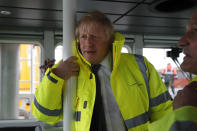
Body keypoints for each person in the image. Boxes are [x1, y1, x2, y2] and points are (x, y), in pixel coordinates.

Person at [32, 11, 172, 131]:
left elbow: (164, 112)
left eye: (94, 36)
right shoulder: (66, 71)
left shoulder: (140, 65)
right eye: (83, 36)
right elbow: (44, 114)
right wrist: (56, 76)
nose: (88, 43)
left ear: (110, 39)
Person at [149, 10, 197, 131]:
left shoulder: (188, 99)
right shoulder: (192, 88)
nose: (181, 42)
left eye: (196, 30)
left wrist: (185, 114)